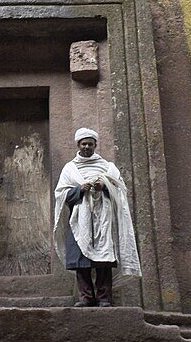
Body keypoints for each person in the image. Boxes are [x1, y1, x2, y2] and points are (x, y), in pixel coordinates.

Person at [53, 128, 141, 307]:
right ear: (78, 145)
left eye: (90, 144)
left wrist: (105, 186)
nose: (87, 147)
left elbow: (120, 190)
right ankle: (85, 297)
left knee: (104, 261)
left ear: (95, 145)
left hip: (104, 220)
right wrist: (80, 190)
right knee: (80, 262)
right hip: (79, 221)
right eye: (83, 144)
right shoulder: (70, 168)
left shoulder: (108, 167)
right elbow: (61, 195)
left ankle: (104, 298)